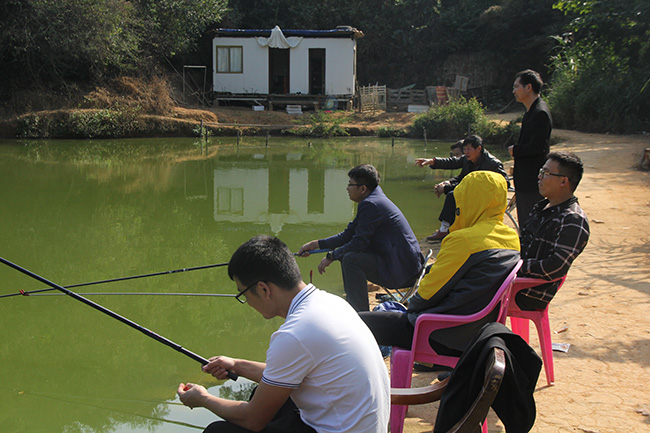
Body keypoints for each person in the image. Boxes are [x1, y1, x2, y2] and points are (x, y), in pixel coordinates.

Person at [177, 235, 390, 433]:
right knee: (264, 395)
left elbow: (253, 419)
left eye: (243, 294)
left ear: (263, 289)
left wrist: (203, 398)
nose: (247, 302)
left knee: (219, 431)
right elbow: (287, 374)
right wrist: (236, 365)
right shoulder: (331, 303)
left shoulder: (294, 334)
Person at [359, 171, 520, 356]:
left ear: (470, 200)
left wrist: (411, 306)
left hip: (441, 333)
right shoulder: (510, 236)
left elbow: (424, 297)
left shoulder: (464, 240)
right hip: (478, 331)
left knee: (355, 322)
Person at [298, 164, 423, 312]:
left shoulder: (371, 204)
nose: (347, 188)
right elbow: (348, 235)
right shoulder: (373, 199)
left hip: (403, 270)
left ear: (363, 188)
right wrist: (315, 244)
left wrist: (331, 256)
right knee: (348, 256)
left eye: (350, 184)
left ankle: (360, 313)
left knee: (350, 259)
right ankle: (356, 307)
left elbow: (358, 243)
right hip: (404, 264)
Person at [516, 151, 590, 310]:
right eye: (540, 172)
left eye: (545, 173)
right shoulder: (543, 207)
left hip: (526, 292)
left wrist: (515, 266)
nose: (539, 177)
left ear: (563, 181)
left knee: (466, 293)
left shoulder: (573, 220)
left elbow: (555, 267)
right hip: (514, 279)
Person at [415, 135, 508, 241]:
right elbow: (452, 163)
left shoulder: (492, 163)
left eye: (469, 149)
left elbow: (505, 182)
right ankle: (451, 227)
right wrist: (432, 161)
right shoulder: (468, 160)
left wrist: (446, 188)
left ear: (479, 149)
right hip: (472, 192)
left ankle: (444, 230)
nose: (466, 152)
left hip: (485, 197)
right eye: (464, 149)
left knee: (452, 195)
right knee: (453, 192)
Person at [508, 69, 552, 227]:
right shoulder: (531, 112)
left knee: (530, 223)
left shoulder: (540, 113)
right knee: (526, 221)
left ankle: (531, 251)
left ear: (528, 87)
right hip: (526, 179)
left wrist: (516, 150)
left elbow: (538, 147)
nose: (514, 91)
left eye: (516, 87)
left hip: (532, 181)